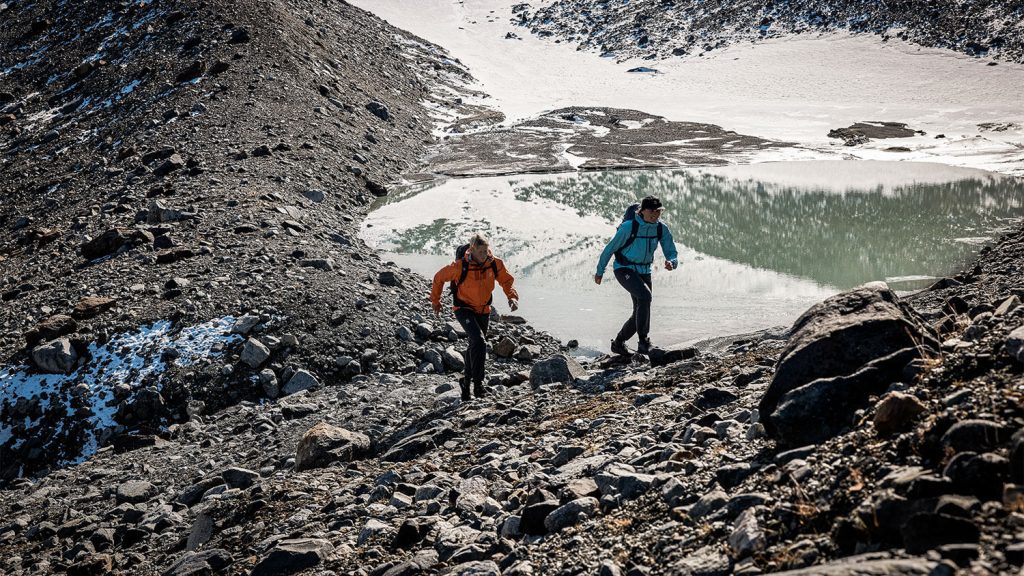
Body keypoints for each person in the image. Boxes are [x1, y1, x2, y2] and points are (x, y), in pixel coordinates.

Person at [431, 233, 519, 401]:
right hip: (463, 308)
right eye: (481, 252)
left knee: (475, 345)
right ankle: (478, 385)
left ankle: (466, 382)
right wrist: (436, 301)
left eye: (486, 251)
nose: (485, 255)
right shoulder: (460, 266)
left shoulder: (494, 263)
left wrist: (512, 296)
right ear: (472, 250)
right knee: (479, 342)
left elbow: (506, 280)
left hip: (483, 309)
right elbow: (438, 278)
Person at [594, 195, 679, 355]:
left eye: (658, 212)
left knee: (640, 309)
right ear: (642, 211)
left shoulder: (661, 228)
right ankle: (643, 342)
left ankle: (618, 343)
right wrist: (600, 272)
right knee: (645, 297)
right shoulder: (628, 227)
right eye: (651, 212)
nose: (655, 215)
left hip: (644, 270)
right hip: (624, 269)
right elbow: (609, 249)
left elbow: (670, 250)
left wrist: (672, 262)